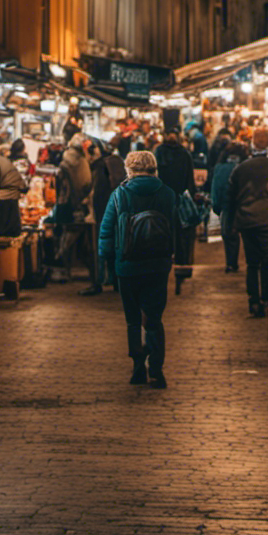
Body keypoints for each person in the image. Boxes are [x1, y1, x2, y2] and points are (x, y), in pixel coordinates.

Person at [98, 150, 176, 389]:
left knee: (133, 320)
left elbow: (107, 230)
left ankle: (137, 368)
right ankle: (157, 370)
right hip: (157, 265)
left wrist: (107, 259)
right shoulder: (167, 194)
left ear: (129, 170)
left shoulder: (119, 195)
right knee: (153, 318)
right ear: (154, 169)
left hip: (127, 265)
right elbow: (176, 227)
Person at [224, 126, 268, 317]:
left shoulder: (240, 169)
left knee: (252, 262)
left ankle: (253, 301)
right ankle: (267, 296)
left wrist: (229, 225)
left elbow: (229, 198)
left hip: (246, 221)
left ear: (253, 143)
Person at [80, 140, 126, 296]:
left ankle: (97, 283)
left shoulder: (100, 168)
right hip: (118, 211)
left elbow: (98, 195)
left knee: (97, 249)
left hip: (103, 213)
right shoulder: (115, 162)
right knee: (115, 247)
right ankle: (117, 282)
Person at [155, 129, 197, 290]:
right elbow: (190, 180)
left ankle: (163, 266)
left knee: (162, 235)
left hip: (161, 201)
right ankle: (180, 269)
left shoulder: (158, 152)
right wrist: (190, 197)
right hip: (178, 199)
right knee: (180, 236)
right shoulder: (185, 154)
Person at [53, 134, 92, 280]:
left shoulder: (65, 163)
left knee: (66, 235)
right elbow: (87, 183)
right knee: (78, 236)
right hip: (80, 204)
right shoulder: (83, 162)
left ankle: (65, 268)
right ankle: (84, 269)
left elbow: (60, 187)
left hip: (66, 204)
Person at [211, 142, 247, 273]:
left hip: (227, 206)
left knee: (228, 235)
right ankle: (251, 264)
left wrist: (216, 206)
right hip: (245, 205)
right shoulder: (245, 166)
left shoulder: (220, 168)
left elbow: (216, 188)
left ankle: (231, 263)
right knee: (247, 236)